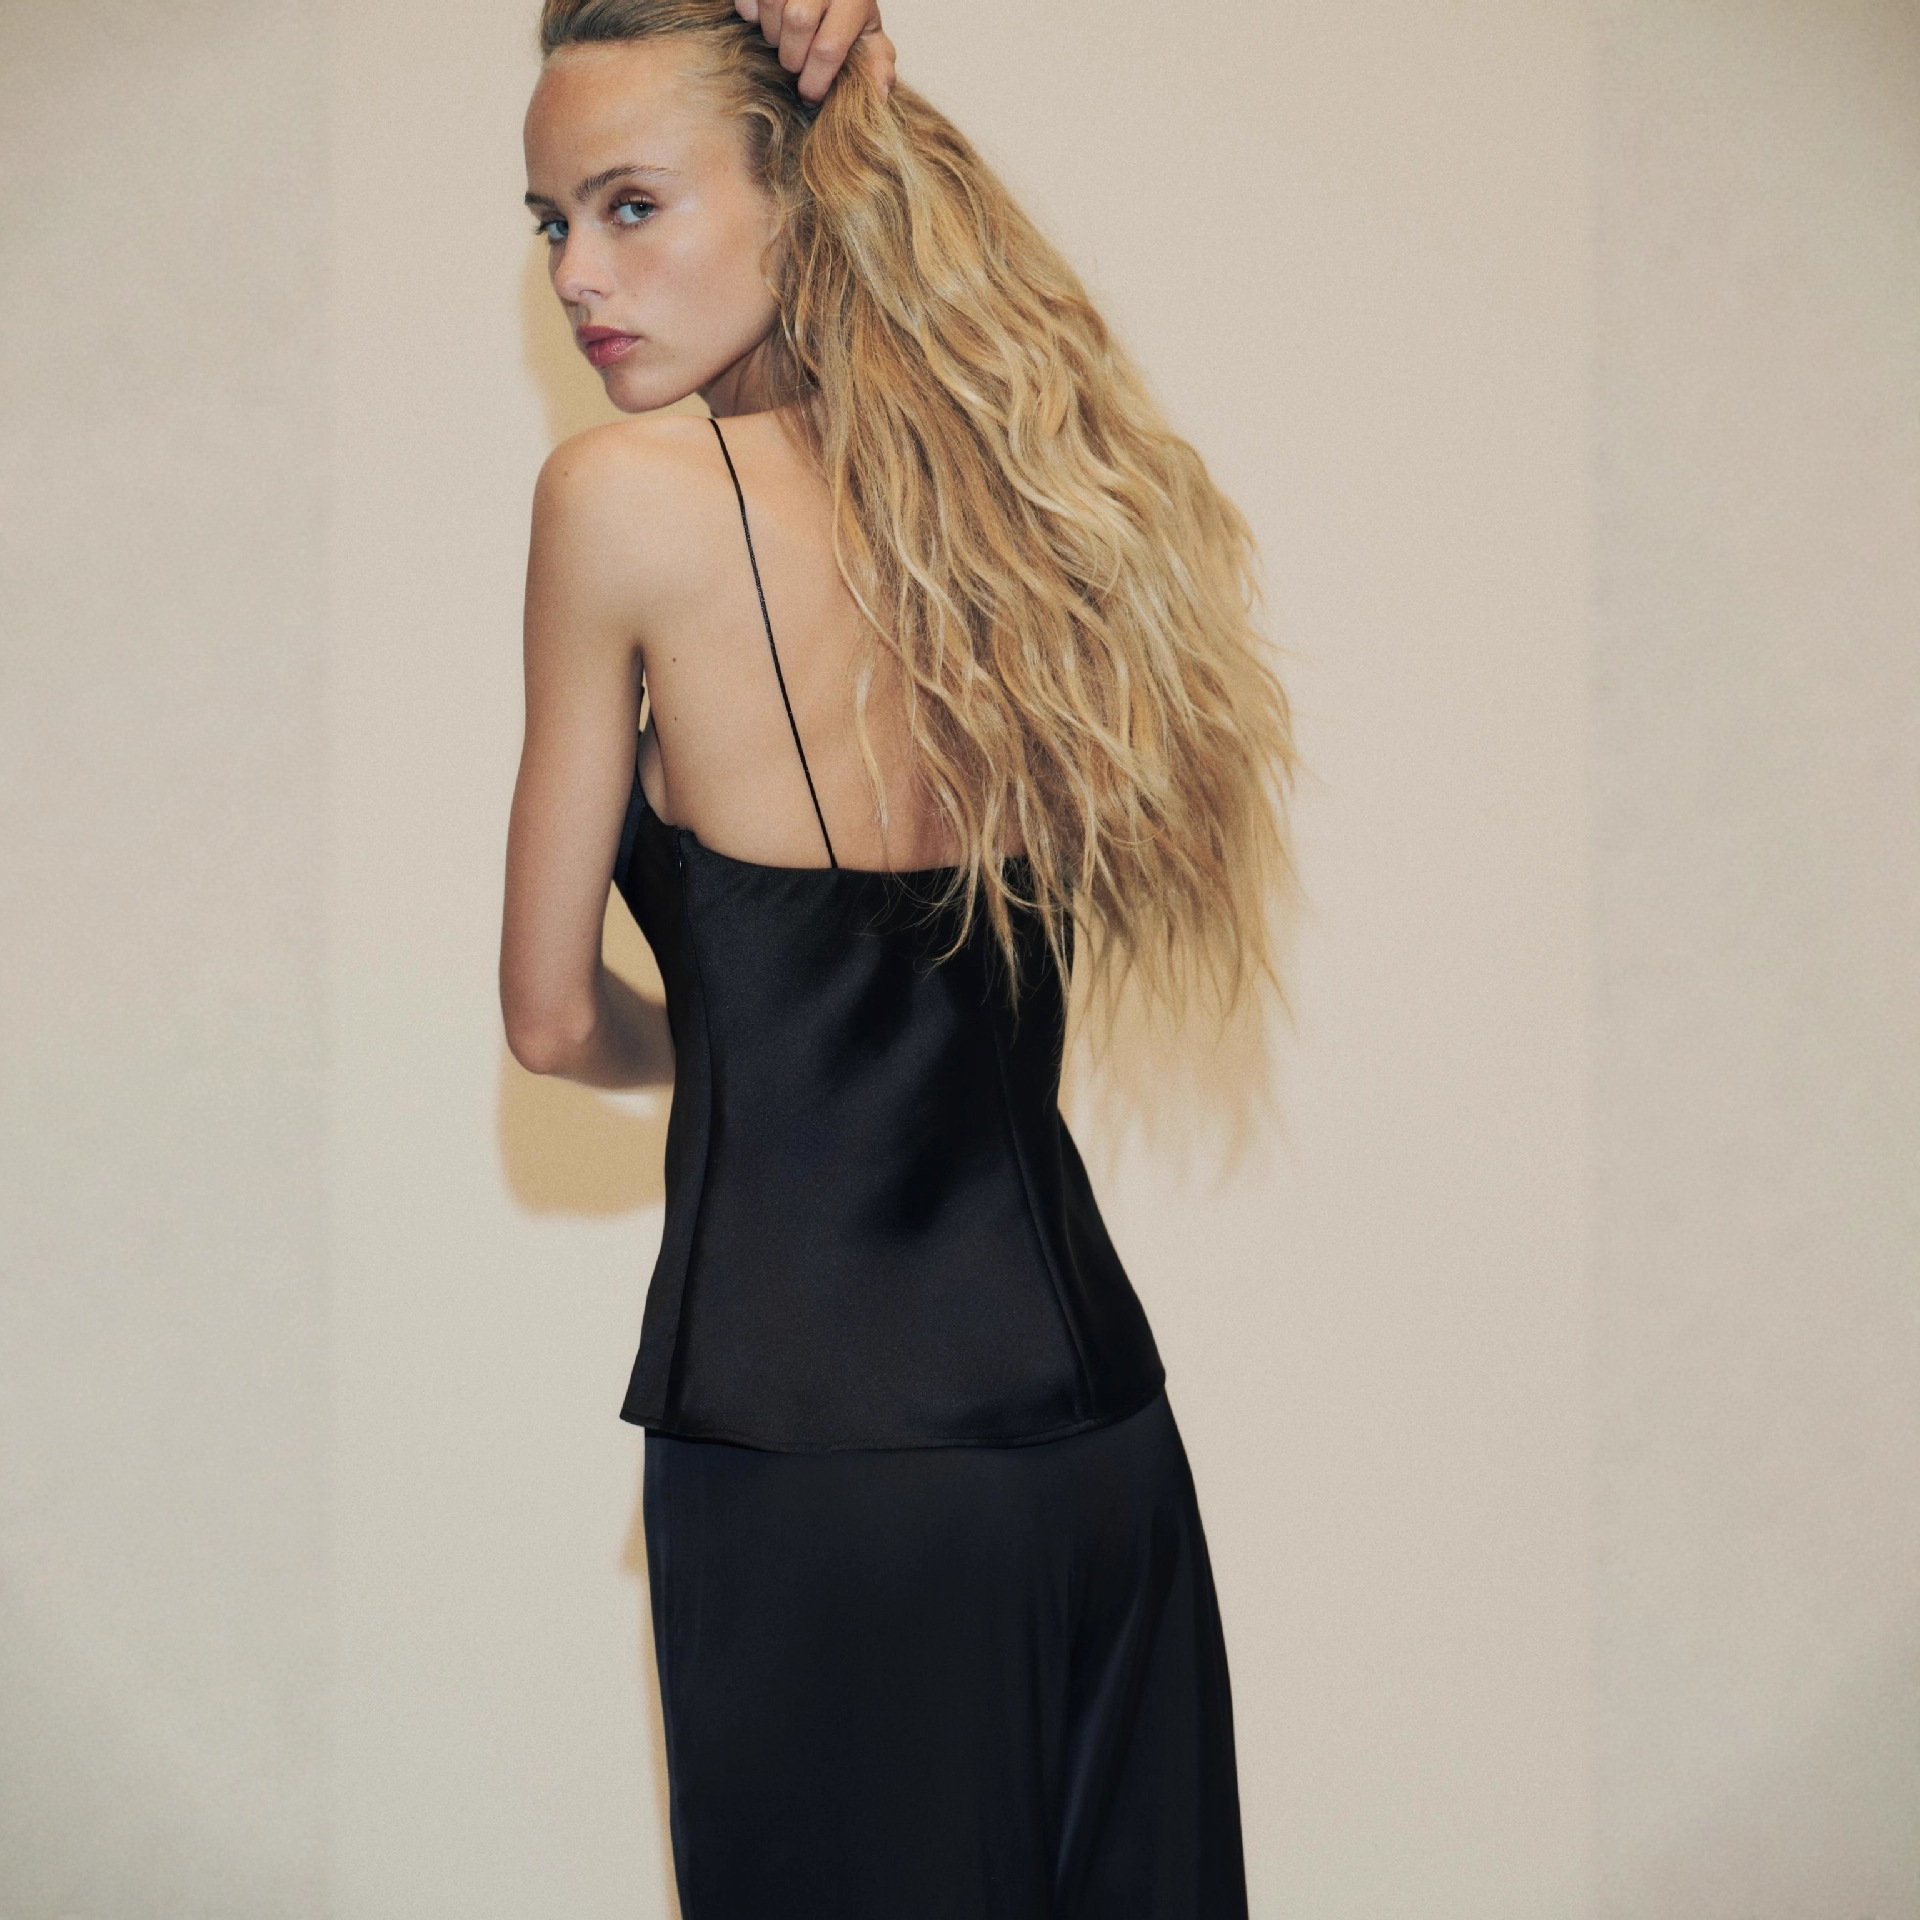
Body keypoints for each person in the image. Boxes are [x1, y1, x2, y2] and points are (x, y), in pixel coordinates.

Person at [501, 2, 1296, 1912]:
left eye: (630, 205)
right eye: (552, 224)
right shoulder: (1026, 505)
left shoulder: (618, 499)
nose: (580, 277)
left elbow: (547, 1014)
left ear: (798, 189)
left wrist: (729, 1048)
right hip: (1095, 1443)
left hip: (813, 1457)